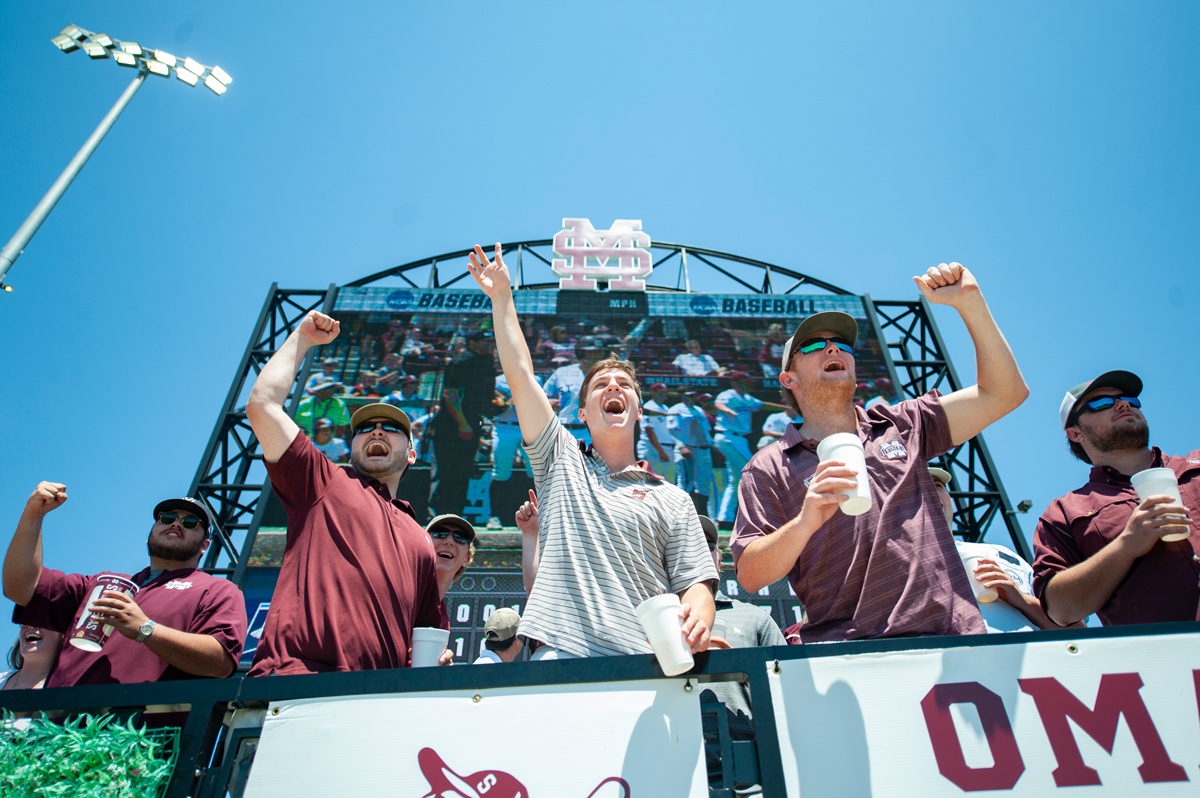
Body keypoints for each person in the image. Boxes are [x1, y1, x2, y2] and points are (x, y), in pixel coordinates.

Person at [732, 263, 1029, 642]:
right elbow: (751, 574)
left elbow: (1004, 394)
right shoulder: (768, 466)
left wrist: (971, 305)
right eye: (813, 345)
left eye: (842, 344)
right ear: (789, 379)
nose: (833, 347)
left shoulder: (903, 423)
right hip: (847, 653)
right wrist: (807, 521)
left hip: (952, 637)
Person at [468, 243, 716, 659]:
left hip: (649, 664)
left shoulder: (673, 498)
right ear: (582, 412)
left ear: (639, 410)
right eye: (601, 385)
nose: (614, 387)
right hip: (559, 658)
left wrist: (700, 618)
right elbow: (520, 373)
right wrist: (502, 298)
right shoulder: (559, 460)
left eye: (624, 384)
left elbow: (695, 581)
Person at [244, 310, 445, 675]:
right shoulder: (322, 481)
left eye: (392, 428)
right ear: (351, 445)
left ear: (412, 453)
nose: (377, 431)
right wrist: (301, 338)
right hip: (293, 685)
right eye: (366, 427)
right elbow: (263, 406)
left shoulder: (421, 538)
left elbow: (427, 633)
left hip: (374, 706)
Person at [4, 488, 246, 685]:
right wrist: (34, 514)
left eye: (191, 522)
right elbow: (20, 587)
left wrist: (145, 629)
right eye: (168, 518)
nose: (177, 524)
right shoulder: (100, 583)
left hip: (140, 738)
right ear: (151, 533)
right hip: (60, 734)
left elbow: (221, 662)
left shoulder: (216, 590)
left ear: (204, 546)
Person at [1031, 370, 1199, 627]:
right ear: (1076, 434)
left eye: (1130, 400)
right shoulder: (1064, 513)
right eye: (1101, 403)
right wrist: (1127, 545)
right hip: (1165, 662)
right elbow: (1059, 609)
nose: (1123, 404)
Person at [929, 468, 1078, 633]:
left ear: (949, 499)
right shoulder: (898, 567)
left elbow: (1076, 629)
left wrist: (1022, 600)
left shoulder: (1002, 555)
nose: (930, 493)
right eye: (919, 487)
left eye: (937, 485)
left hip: (1031, 656)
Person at [698, 515, 786, 788]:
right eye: (688, 541)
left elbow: (788, 691)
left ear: (720, 560)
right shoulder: (655, 621)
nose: (698, 547)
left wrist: (742, 670)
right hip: (675, 770)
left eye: (708, 543)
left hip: (749, 778)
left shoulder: (754, 618)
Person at [430, 329, 498, 517]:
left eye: (492, 342)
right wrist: (463, 423)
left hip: (470, 422)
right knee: (450, 473)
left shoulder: (485, 362)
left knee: (462, 473)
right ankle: (443, 518)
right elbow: (450, 394)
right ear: (472, 342)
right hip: (452, 425)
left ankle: (454, 518)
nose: (490, 345)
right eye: (486, 342)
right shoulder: (462, 361)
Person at [713, 373, 789, 524]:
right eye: (742, 382)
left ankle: (724, 517)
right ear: (735, 383)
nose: (745, 385)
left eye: (746, 382)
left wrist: (788, 407)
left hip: (738, 439)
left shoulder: (748, 398)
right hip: (728, 437)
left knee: (736, 480)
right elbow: (718, 404)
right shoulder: (728, 394)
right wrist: (728, 410)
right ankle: (762, 515)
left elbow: (763, 405)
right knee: (754, 469)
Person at [542, 343, 605, 446]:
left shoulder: (609, 374)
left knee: (587, 462)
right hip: (563, 429)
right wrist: (548, 402)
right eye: (589, 354)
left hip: (592, 431)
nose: (594, 358)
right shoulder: (563, 372)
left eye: (598, 354)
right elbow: (544, 396)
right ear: (580, 354)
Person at [668, 390, 715, 515]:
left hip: (703, 450)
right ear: (682, 395)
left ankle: (702, 515)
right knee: (684, 482)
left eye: (693, 395)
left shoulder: (698, 410)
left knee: (704, 483)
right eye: (688, 395)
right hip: (687, 449)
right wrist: (681, 446)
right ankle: (677, 516)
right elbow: (673, 431)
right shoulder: (676, 409)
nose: (691, 397)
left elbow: (706, 431)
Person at [638, 383, 677, 484]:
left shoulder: (665, 408)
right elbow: (649, 432)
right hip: (653, 449)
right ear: (653, 393)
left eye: (665, 392)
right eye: (660, 392)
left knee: (669, 482)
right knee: (653, 482)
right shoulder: (648, 406)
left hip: (667, 448)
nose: (664, 395)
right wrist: (661, 452)